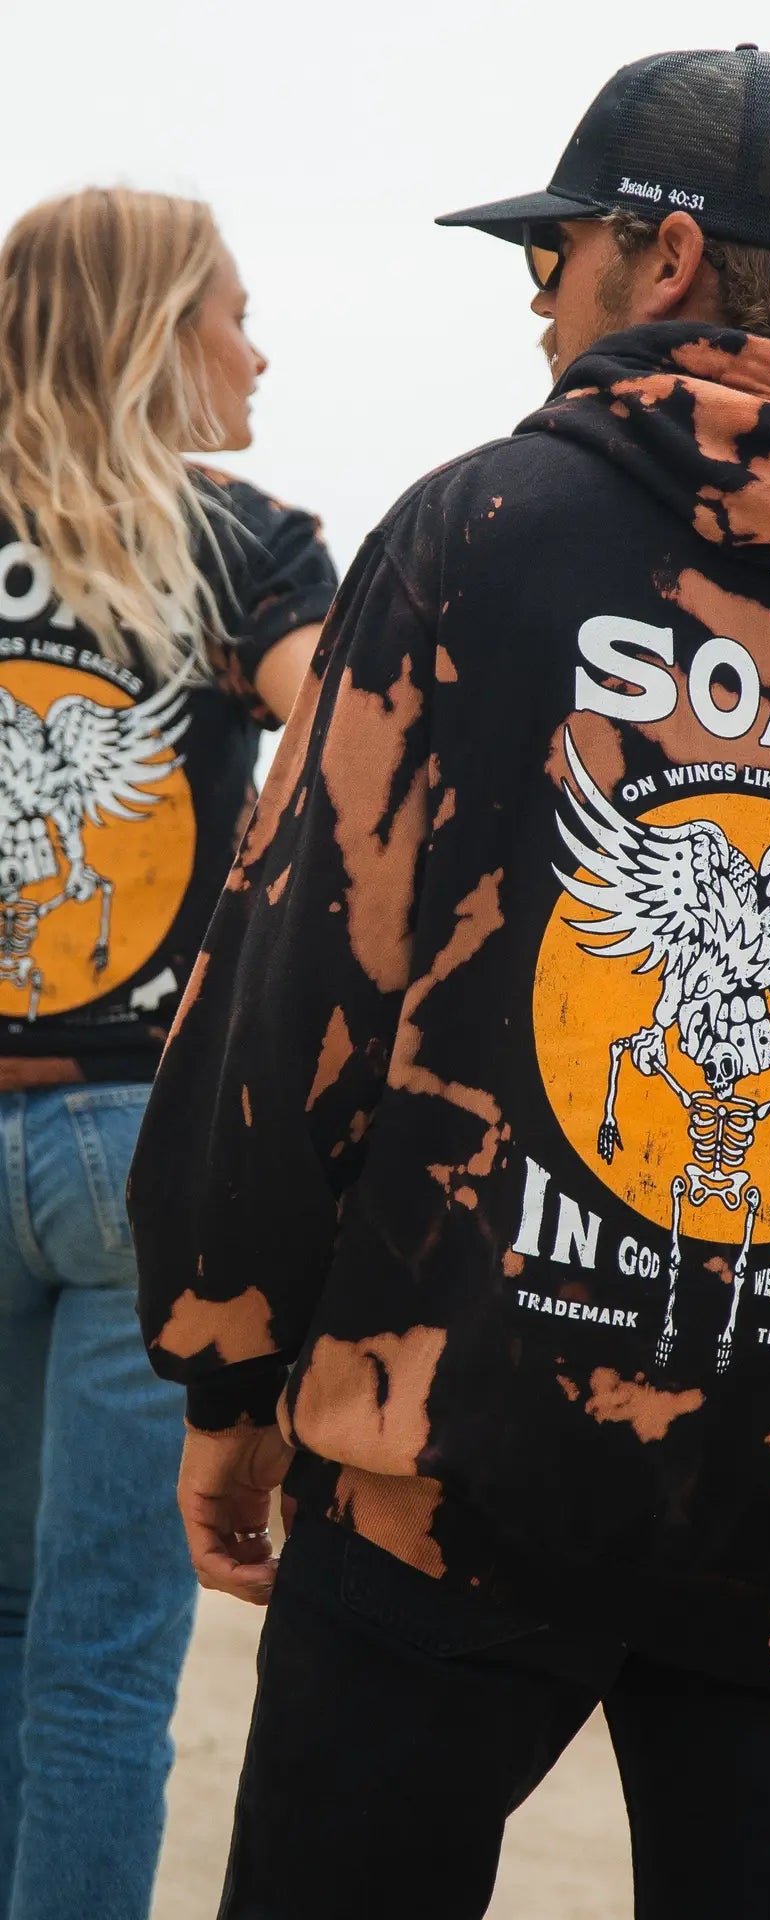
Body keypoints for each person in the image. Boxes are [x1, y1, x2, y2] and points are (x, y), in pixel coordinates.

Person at [131, 47, 770, 1920]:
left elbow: (300, 982)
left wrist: (227, 1359)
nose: (538, 303)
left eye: (555, 257)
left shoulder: (478, 542)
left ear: (666, 256)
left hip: (448, 1459)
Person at [0, 188, 336, 1920]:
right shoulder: (245, 547)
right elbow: (360, 766)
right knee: (103, 1666)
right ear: (153, 337)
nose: (256, 354)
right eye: (233, 316)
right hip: (139, 1139)